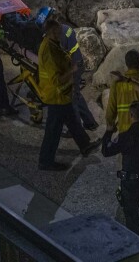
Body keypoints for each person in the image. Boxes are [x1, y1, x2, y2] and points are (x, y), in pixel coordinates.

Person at [36, 15, 100, 171]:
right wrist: (72, 70)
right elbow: (56, 79)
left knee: (72, 119)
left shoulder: (52, 43)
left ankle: (85, 145)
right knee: (53, 130)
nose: (61, 35)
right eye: (58, 32)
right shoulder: (48, 50)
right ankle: (45, 161)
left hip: (62, 94)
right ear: (51, 32)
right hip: (56, 94)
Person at [101, 101, 139, 252]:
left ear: (130, 115)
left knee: (131, 217)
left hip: (130, 183)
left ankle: (135, 247)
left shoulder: (125, 136)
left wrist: (108, 132)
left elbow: (106, 151)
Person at [36, 7, 98, 132]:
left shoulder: (57, 36)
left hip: (73, 67)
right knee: (76, 96)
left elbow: (57, 57)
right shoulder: (65, 29)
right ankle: (90, 123)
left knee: (72, 98)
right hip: (77, 64)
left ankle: (77, 126)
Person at [105, 50, 139, 134]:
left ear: (126, 64)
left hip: (126, 131)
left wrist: (110, 124)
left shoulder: (118, 83)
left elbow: (111, 109)